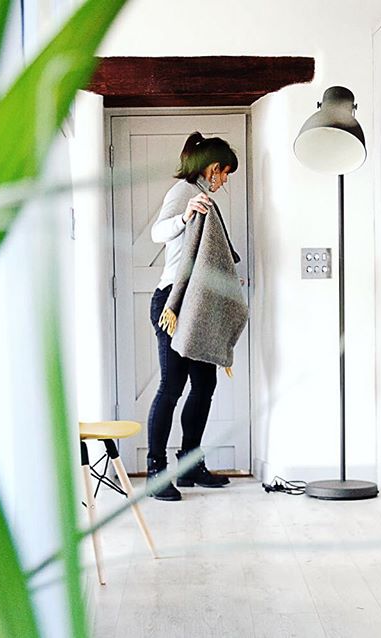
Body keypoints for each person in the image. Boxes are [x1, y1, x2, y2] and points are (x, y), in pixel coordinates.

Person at [146, 131, 239, 501]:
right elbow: (157, 233)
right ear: (212, 168)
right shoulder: (183, 193)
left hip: (197, 304)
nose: (225, 181)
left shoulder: (204, 198)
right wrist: (185, 216)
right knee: (171, 388)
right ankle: (156, 471)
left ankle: (189, 464)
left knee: (204, 386)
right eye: (226, 172)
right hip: (173, 302)